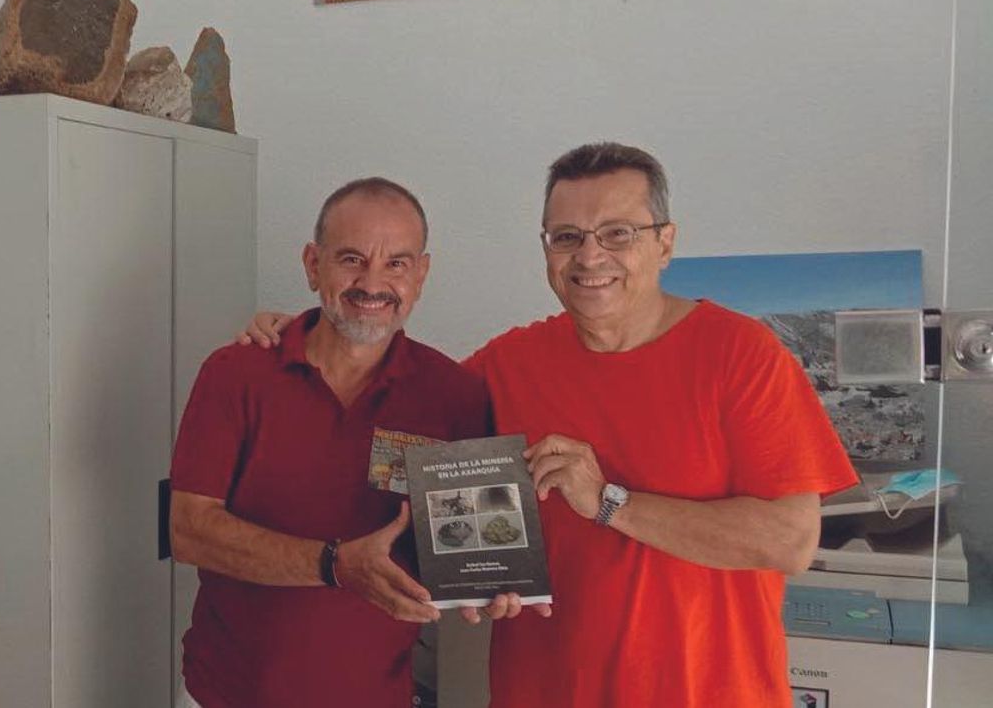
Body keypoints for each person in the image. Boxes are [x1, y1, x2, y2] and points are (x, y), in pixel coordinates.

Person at [241, 143, 857, 707]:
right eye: (567, 237)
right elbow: (390, 409)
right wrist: (304, 334)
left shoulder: (742, 356)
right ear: (546, 249)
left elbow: (790, 540)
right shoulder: (508, 364)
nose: (590, 257)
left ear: (665, 242)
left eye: (618, 233)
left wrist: (609, 502)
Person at [169, 177, 542, 708]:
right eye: (351, 259)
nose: (373, 283)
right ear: (311, 264)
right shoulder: (236, 373)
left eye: (397, 263)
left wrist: (494, 585)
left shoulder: (455, 393)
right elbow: (190, 531)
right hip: (223, 696)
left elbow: (469, 544)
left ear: (421, 274)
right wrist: (334, 565)